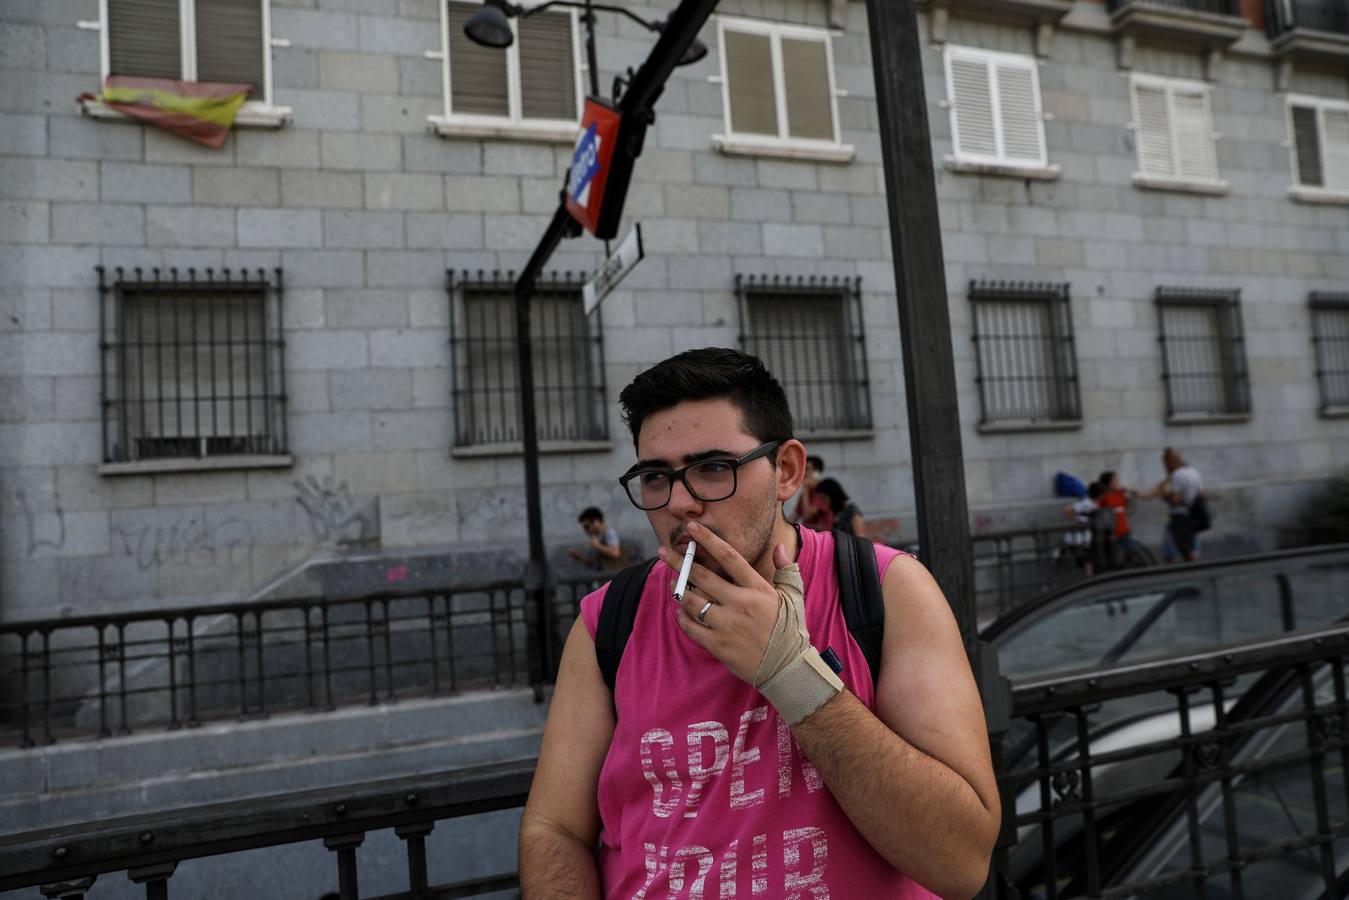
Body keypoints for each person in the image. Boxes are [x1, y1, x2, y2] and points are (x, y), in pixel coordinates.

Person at [519, 348, 998, 899]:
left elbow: (961, 861)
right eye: (656, 477)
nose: (680, 503)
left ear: (786, 471)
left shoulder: (886, 588)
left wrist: (791, 673)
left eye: (713, 468)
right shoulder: (609, 619)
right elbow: (554, 828)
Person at [1134, 448, 1204, 563]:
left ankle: (1186, 572)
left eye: (1166, 463)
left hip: (1181, 517)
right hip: (1191, 516)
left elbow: (1175, 500)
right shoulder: (1193, 472)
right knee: (1186, 547)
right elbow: (1201, 494)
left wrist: (1165, 496)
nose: (1165, 467)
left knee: (1184, 551)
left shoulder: (1177, 475)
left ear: (1170, 461)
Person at [1096, 471, 1148, 567]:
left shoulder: (1120, 494)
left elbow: (1127, 506)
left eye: (1117, 480)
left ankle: (1140, 564)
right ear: (1107, 483)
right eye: (1114, 480)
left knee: (1130, 549)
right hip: (1112, 532)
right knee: (1119, 552)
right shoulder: (1104, 498)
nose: (1117, 482)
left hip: (1124, 529)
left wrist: (1128, 493)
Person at [568, 507, 630, 573]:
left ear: (595, 522)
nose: (586, 531)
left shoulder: (610, 533)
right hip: (605, 576)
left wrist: (597, 545)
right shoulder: (598, 537)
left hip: (616, 576)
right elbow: (596, 565)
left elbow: (615, 552)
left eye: (586, 527)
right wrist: (580, 558)